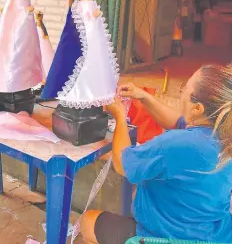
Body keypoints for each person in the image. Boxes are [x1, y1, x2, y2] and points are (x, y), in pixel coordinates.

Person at [80, 64, 232, 244]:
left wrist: (120, 116)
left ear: (197, 109)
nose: (181, 93)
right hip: (215, 235)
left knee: (87, 221)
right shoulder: (222, 133)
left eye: (185, 88)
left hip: (172, 236)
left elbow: (122, 163)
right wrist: (144, 97)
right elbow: (178, 121)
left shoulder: (178, 144)